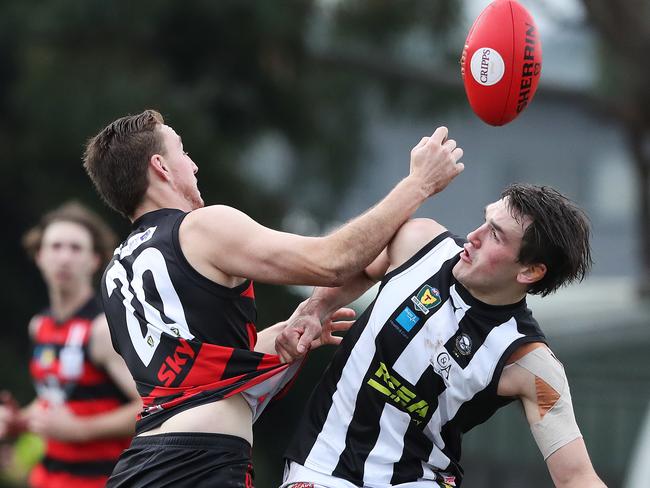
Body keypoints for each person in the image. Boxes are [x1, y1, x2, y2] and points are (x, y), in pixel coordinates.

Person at [81, 109, 464, 487]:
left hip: (143, 463)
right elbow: (332, 262)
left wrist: (299, 321)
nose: (194, 165)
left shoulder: (116, 272)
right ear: (161, 166)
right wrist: (419, 184)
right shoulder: (201, 227)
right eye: (183, 152)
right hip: (197, 462)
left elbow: (191, 371)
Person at [277, 183, 607, 488]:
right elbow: (354, 265)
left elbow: (576, 477)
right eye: (484, 220)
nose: (473, 236)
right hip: (321, 466)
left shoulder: (528, 361)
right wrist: (314, 309)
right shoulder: (421, 241)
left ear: (530, 271)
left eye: (495, 234)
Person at [0, 202, 141, 488]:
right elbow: (56, 399)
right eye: (55, 246)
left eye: (76, 248)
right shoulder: (40, 326)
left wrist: (80, 430)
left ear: (95, 259)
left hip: (103, 480)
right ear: (39, 255)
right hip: (47, 479)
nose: (64, 257)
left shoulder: (102, 330)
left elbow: (151, 406)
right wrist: (19, 420)